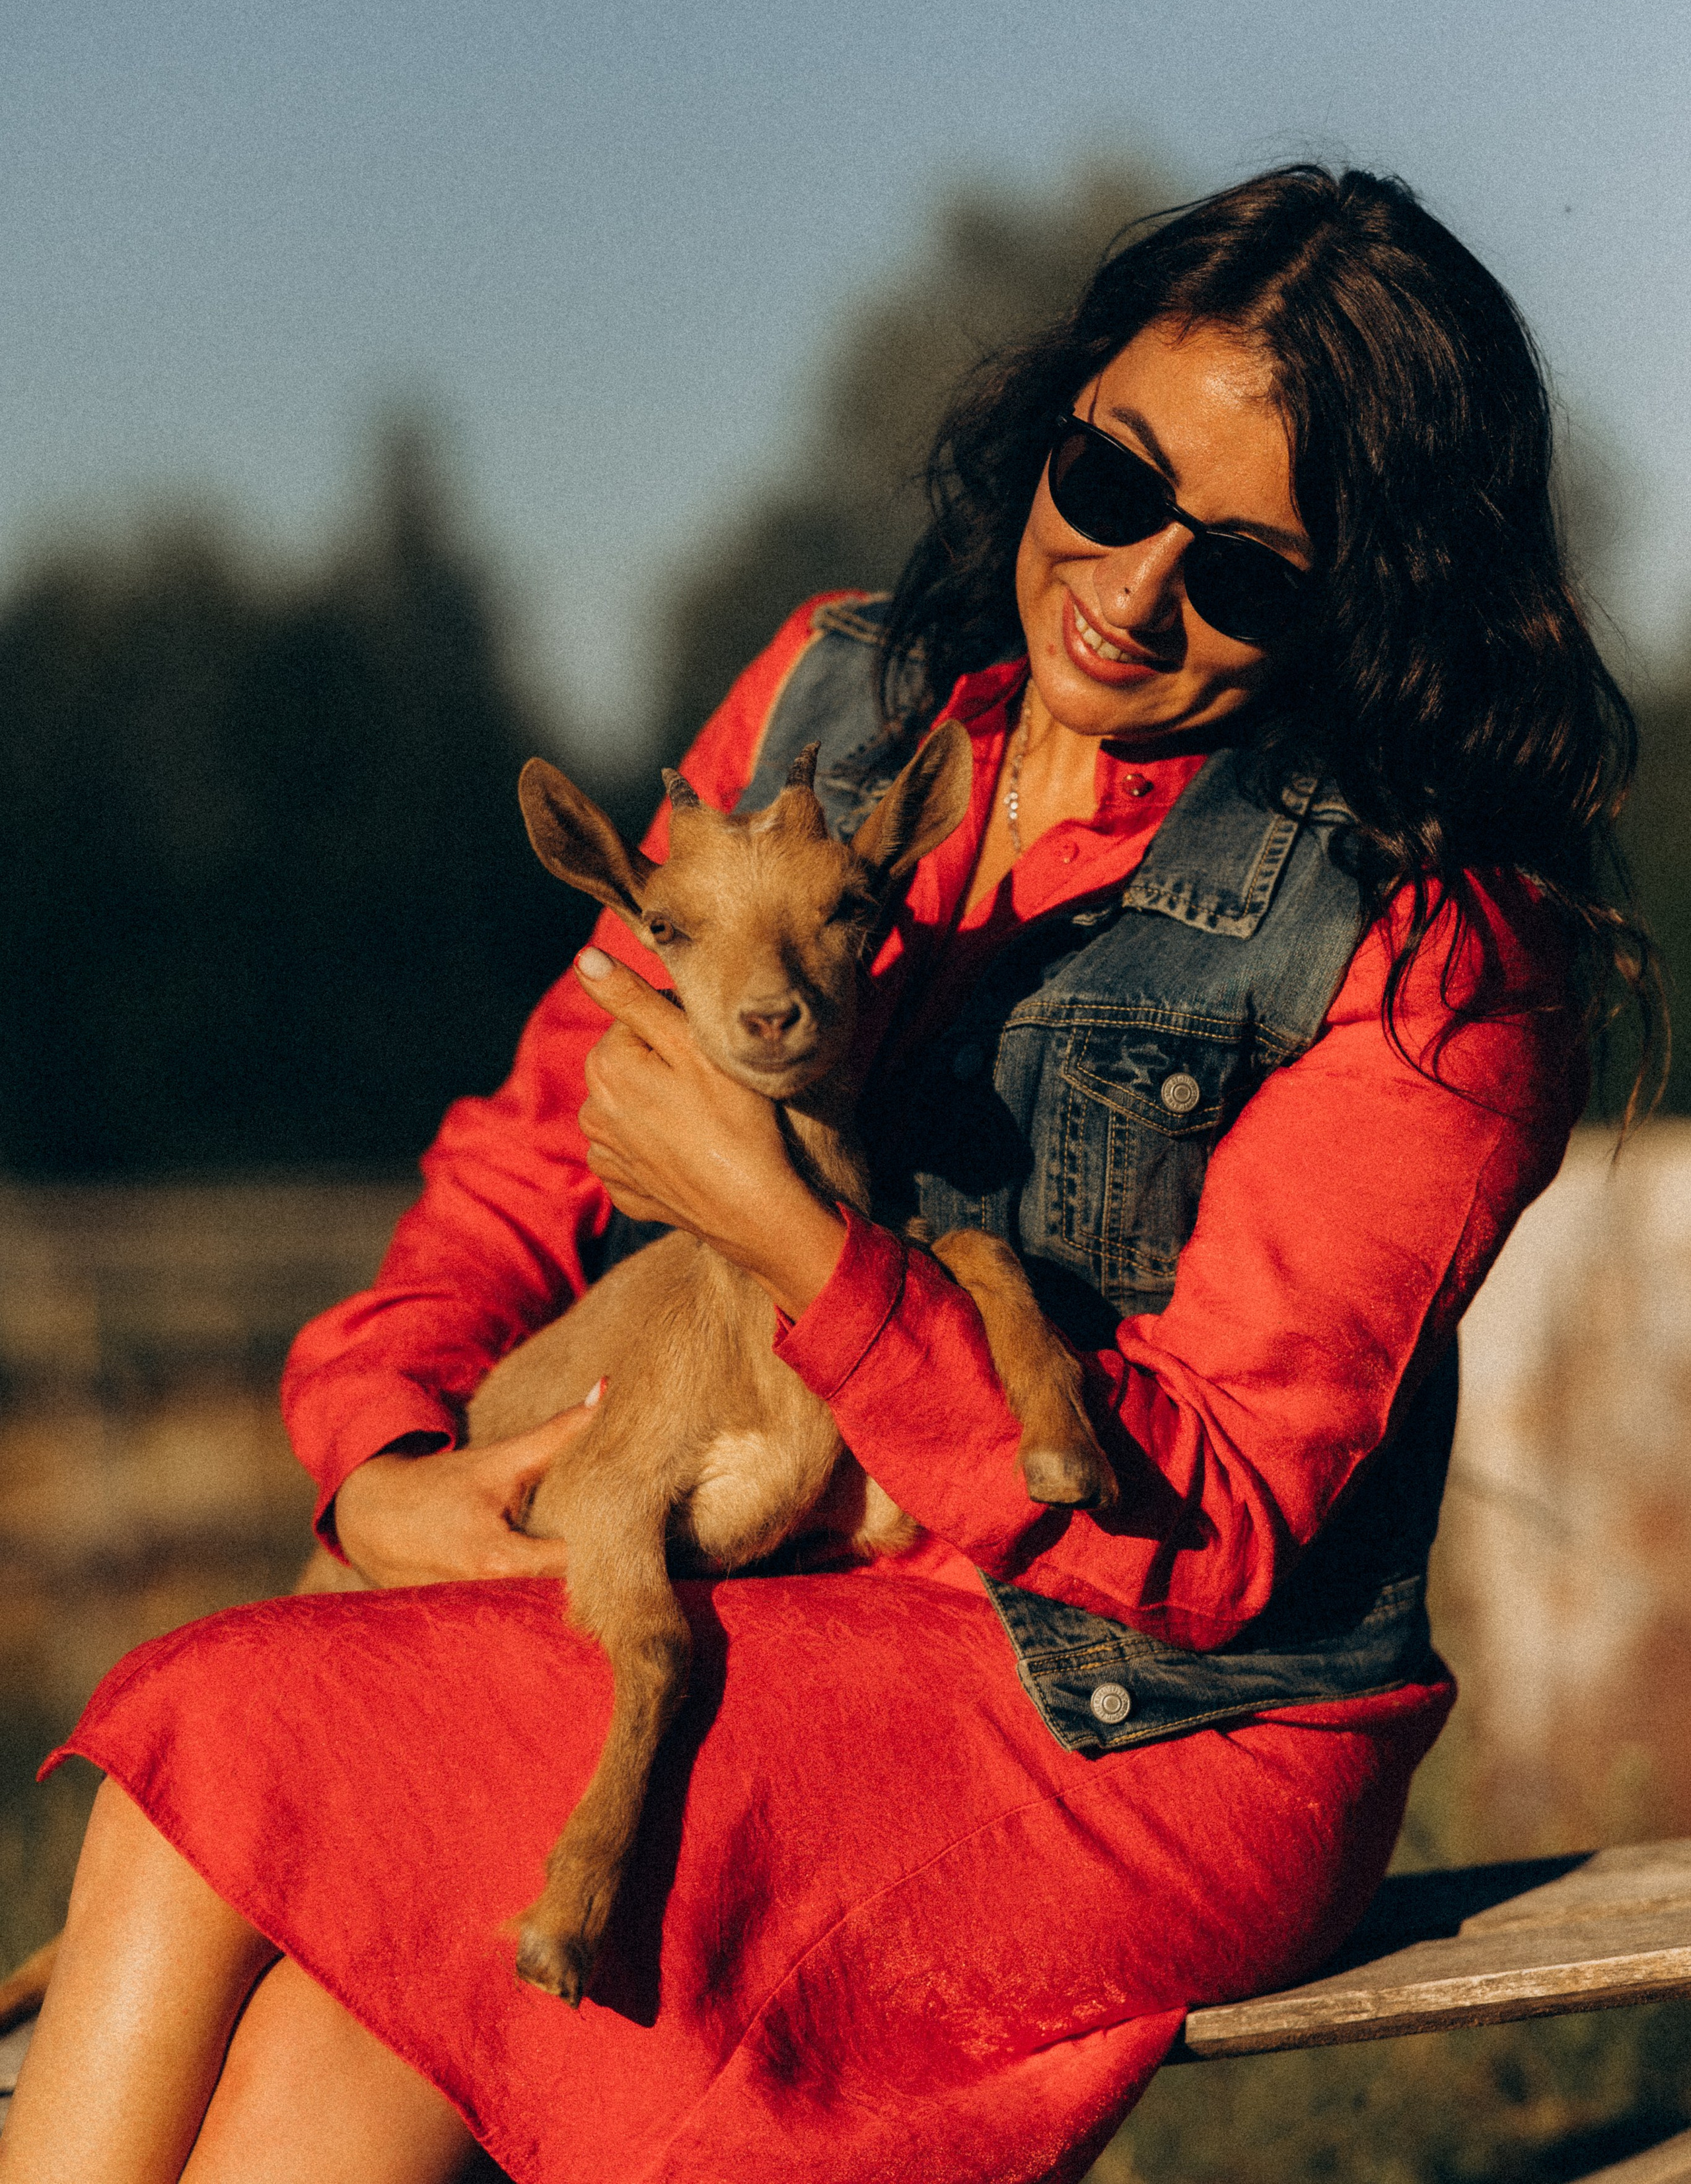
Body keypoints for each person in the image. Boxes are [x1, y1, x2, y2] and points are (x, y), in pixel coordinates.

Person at [3, 166, 1649, 2184]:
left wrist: (797, 1240)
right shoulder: (830, 702)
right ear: (1054, 422)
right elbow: (532, 1147)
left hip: (1141, 1723)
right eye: (1113, 483)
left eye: (1247, 576)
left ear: (1370, 600)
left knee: (252, 1754)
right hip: (797, 1596)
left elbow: (1211, 1535)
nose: (1130, 591)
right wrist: (382, 1458)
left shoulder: (1427, 951)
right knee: (303, 1922)